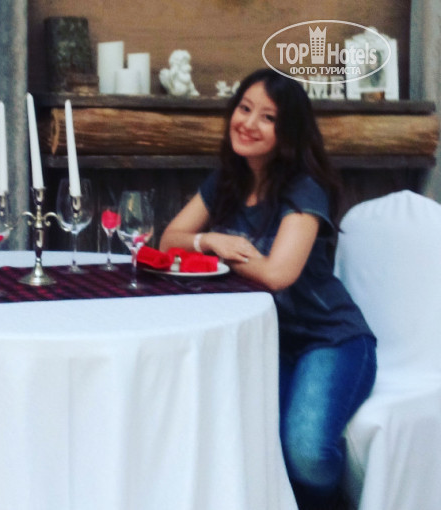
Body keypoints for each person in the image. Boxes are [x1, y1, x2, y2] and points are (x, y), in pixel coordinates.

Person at [159, 68, 377, 509]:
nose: (248, 123)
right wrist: (210, 241)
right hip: (262, 341)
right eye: (244, 109)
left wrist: (217, 253)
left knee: (307, 454)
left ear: (288, 132)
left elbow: (279, 274)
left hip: (328, 338)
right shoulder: (225, 180)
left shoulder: (305, 189)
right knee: (250, 447)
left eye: (268, 117)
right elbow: (169, 241)